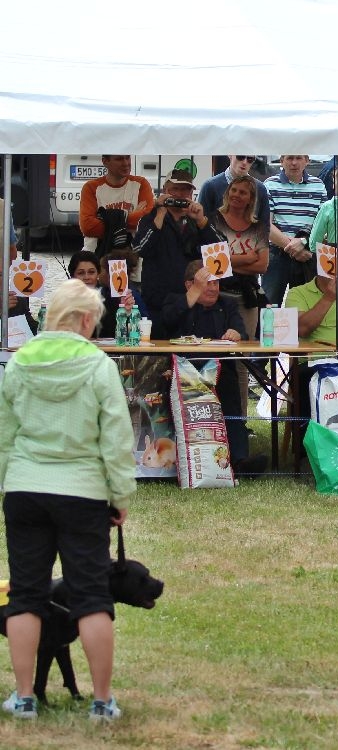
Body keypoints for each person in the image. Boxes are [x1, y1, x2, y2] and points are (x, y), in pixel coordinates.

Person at [0, 279, 133, 721]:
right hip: (82, 491)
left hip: (24, 488)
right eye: (94, 320)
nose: (95, 328)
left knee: (25, 595)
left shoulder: (19, 363)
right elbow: (116, 438)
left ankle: (23, 698)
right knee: (92, 597)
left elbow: (5, 435)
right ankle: (101, 701)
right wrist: (120, 494)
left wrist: (7, 484)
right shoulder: (98, 366)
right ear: (82, 319)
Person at [162, 261, 268, 476]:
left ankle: (239, 460)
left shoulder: (226, 304)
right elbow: (166, 323)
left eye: (216, 282)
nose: (213, 288)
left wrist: (237, 334)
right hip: (184, 367)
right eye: (206, 283)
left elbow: (242, 332)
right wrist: (193, 294)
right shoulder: (175, 301)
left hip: (219, 368)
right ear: (189, 284)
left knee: (229, 386)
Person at [133, 169, 225, 339]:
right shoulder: (151, 218)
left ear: (192, 193)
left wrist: (201, 221)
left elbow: (221, 252)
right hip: (157, 303)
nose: (181, 194)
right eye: (175, 189)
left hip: (191, 303)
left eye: (186, 190)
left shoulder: (198, 220)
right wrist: (160, 214)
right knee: (159, 357)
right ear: (165, 191)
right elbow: (140, 249)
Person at [209, 174, 269, 341]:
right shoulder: (213, 220)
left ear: (250, 199)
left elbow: (262, 266)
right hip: (217, 294)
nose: (236, 195)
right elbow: (210, 262)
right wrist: (246, 258)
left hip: (246, 297)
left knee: (244, 349)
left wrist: (226, 262)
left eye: (243, 192)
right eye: (233, 190)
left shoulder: (258, 227)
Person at [262, 155, 327, 305]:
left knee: (306, 306)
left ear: (307, 161)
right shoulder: (270, 184)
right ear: (281, 160)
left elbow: (323, 225)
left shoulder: (318, 185)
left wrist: (303, 242)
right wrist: (294, 248)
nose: (294, 163)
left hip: (307, 254)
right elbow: (266, 225)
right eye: (290, 158)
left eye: (299, 158)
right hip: (277, 255)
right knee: (270, 306)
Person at [78, 155, 154, 253]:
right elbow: (88, 227)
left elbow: (147, 221)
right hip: (97, 257)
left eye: (127, 158)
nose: (126, 163)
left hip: (132, 258)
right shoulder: (91, 187)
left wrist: (107, 221)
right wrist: (132, 218)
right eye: (119, 159)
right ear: (105, 161)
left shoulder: (141, 184)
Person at [198, 155, 270, 227]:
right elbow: (200, 223)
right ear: (230, 155)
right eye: (240, 156)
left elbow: (264, 227)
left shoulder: (260, 189)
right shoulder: (210, 186)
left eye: (250, 159)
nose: (244, 162)